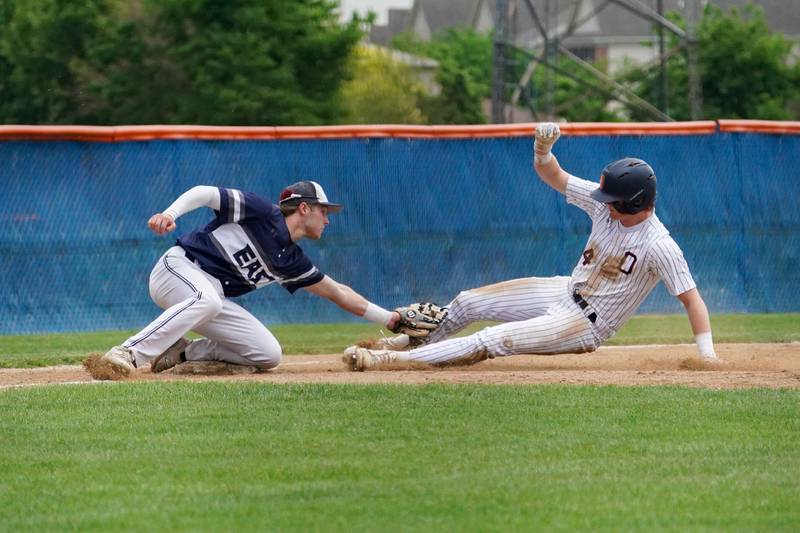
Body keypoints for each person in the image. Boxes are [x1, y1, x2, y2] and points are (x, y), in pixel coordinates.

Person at [345, 122, 718, 370]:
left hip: (584, 323)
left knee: (492, 340)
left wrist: (707, 355)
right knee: (467, 301)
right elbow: (554, 175)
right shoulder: (606, 207)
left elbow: (691, 299)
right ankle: (407, 348)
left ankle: (390, 365)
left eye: (611, 198)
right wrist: (543, 150)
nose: (602, 200)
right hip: (565, 290)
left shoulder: (659, 245)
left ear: (633, 202)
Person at [99, 180, 402, 377]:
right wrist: (171, 213)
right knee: (206, 299)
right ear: (304, 207)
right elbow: (205, 193)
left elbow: (337, 292)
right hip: (177, 270)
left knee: (267, 354)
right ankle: (127, 353)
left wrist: (391, 320)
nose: (327, 218)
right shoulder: (261, 212)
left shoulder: (292, 261)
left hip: (210, 300)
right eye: (323, 210)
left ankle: (181, 352)